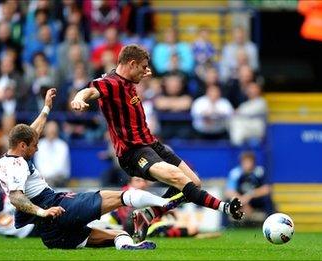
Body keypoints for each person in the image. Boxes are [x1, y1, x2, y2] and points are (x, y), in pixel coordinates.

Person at [70, 44, 243, 239]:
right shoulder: (111, 83)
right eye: (143, 67)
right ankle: (225, 207)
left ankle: (148, 215)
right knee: (179, 178)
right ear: (132, 64)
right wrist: (78, 97)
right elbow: (90, 91)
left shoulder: (125, 77)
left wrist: (140, 73)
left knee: (194, 182)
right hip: (133, 152)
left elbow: (122, 75)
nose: (146, 71)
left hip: (152, 144)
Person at [0, 88, 182, 250]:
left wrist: (46, 108)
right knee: (120, 197)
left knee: (116, 234)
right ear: (22, 146)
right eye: (34, 145)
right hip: (56, 206)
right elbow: (16, 197)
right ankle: (164, 204)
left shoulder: (4, 161)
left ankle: (126, 244)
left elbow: (31, 133)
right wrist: (44, 211)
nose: (37, 148)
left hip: (51, 234)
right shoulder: (17, 164)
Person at [225, 151, 275, 221]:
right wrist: (241, 201)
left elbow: (267, 189)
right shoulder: (235, 173)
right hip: (240, 198)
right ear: (241, 162)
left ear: (253, 162)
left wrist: (249, 196)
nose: (247, 164)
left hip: (254, 199)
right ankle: (224, 226)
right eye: (245, 162)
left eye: (249, 162)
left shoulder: (260, 172)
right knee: (226, 203)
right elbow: (229, 191)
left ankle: (271, 222)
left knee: (267, 200)